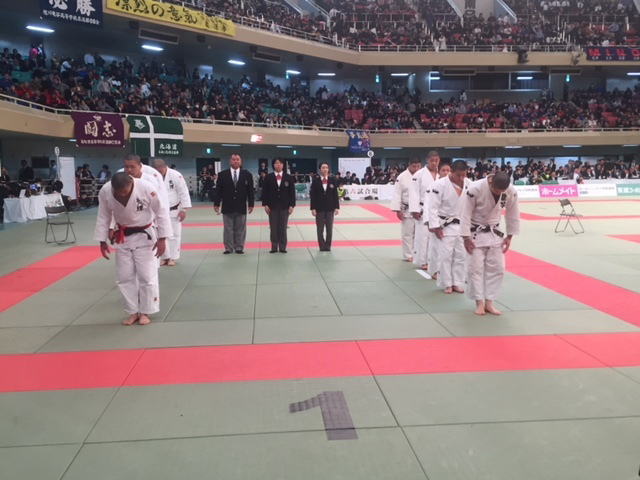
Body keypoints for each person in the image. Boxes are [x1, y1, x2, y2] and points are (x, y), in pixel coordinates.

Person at [94, 172, 171, 326]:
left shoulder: (146, 187)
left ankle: (146, 312)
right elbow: (103, 215)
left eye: (125, 191)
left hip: (145, 236)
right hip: (123, 237)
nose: (122, 194)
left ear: (131, 183)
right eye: (118, 192)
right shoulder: (106, 191)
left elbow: (161, 212)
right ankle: (132, 311)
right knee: (124, 277)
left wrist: (162, 238)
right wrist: (102, 241)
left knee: (147, 276)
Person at [459, 171, 520, 316]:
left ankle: (489, 302)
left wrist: (510, 236)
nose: (500, 193)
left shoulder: (510, 191)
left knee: (498, 268)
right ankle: (479, 302)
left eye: (502, 191)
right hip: (475, 233)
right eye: (497, 190)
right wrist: (466, 238)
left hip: (495, 233)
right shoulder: (475, 188)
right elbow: (465, 214)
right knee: (475, 269)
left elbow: (513, 213)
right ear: (491, 182)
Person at [428, 160, 470, 294]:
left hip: (462, 224)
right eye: (458, 175)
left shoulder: (469, 184)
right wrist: (435, 226)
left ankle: (457, 282)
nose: (461, 178)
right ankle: (446, 283)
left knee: (461, 255)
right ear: (451, 171)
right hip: (445, 225)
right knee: (445, 256)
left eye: (464, 175)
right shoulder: (439, 184)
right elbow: (432, 207)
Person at [152, 158, 192, 266]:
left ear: (164, 167)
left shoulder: (175, 175)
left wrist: (184, 209)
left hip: (175, 209)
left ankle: (173, 258)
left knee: (175, 235)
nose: (158, 173)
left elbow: (183, 191)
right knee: (161, 234)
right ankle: (165, 257)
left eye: (160, 170)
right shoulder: (153, 176)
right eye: (156, 171)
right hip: (159, 210)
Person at [214, 154, 254, 254]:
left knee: (240, 228)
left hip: (241, 205)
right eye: (233, 159)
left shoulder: (247, 174)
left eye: (237, 159)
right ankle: (228, 248)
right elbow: (218, 191)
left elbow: (250, 191)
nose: (235, 161)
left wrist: (251, 204)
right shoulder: (222, 174)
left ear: (241, 161)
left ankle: (239, 247)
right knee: (228, 229)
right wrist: (216, 204)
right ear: (230, 161)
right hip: (227, 205)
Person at [410, 151, 440, 270]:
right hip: (422, 209)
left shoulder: (441, 174)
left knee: (435, 238)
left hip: (437, 210)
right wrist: (414, 209)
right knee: (422, 237)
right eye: (432, 160)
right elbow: (414, 192)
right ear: (427, 160)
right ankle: (422, 261)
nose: (434, 163)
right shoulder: (419, 174)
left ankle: (433, 261)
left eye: (436, 160)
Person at [390, 157, 422, 261]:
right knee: (407, 234)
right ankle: (408, 255)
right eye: (414, 166)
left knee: (419, 234)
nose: (416, 168)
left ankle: (418, 254)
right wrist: (398, 210)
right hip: (406, 209)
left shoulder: (422, 175)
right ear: (409, 165)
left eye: (418, 166)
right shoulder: (402, 177)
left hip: (420, 209)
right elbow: (397, 194)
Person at [261, 158, 296, 253]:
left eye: (280, 163)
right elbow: (264, 192)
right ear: (273, 165)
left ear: (283, 165)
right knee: (273, 228)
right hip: (272, 206)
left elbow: (292, 193)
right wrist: (265, 204)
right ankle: (274, 247)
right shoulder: (268, 177)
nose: (278, 165)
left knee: (283, 227)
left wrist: (292, 205)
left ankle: (282, 247)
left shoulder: (289, 177)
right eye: (276, 163)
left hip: (285, 206)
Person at [425, 162, 452, 280]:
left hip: (452, 222)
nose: (446, 173)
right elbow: (428, 204)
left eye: (448, 170)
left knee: (449, 250)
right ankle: (434, 270)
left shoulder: (454, 185)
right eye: (443, 170)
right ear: (438, 172)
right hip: (437, 220)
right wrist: (429, 221)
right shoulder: (433, 185)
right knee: (435, 247)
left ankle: (448, 272)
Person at [309, 162, 339, 252]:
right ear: (320, 169)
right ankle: (322, 246)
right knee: (320, 229)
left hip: (330, 208)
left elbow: (335, 194)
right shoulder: (315, 180)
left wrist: (337, 207)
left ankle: (328, 246)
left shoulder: (332, 180)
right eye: (323, 167)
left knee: (329, 229)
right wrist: (313, 208)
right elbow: (313, 195)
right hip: (319, 208)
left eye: (326, 167)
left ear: (328, 169)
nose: (325, 169)